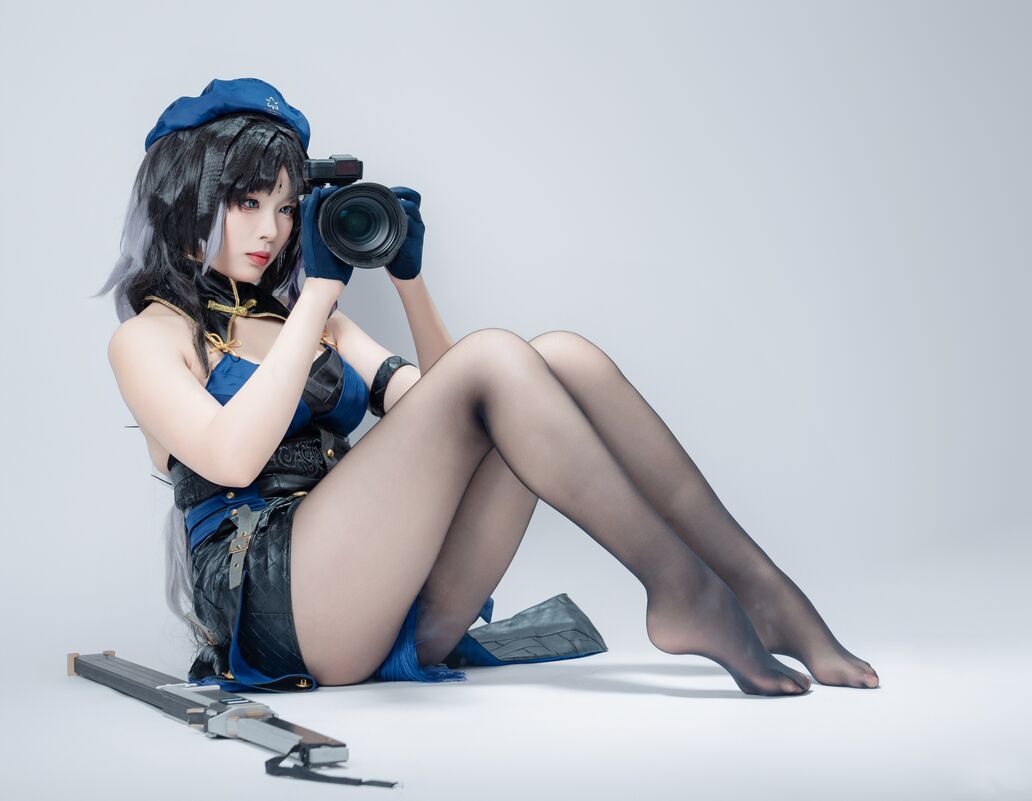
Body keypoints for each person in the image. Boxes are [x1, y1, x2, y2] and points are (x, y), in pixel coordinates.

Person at [96, 77, 879, 697]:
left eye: (286, 207)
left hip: (385, 595)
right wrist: (319, 295)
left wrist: (408, 279)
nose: (271, 231)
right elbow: (232, 457)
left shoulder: (315, 322)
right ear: (186, 198)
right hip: (280, 611)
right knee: (499, 357)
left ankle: (758, 587)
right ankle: (683, 591)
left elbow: (456, 412)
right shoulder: (149, 338)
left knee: (560, 358)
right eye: (246, 203)